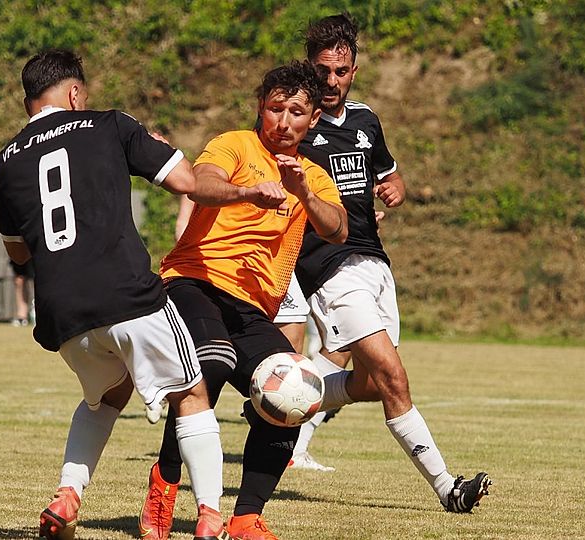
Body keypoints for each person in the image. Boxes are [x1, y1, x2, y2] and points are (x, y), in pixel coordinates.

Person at [0, 49, 227, 540]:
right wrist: (167, 151)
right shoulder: (109, 124)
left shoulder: (6, 161)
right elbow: (186, 182)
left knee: (105, 397)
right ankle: (210, 517)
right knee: (192, 393)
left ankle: (67, 495)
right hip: (126, 295)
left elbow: (17, 253)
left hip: (61, 313)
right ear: (75, 92)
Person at [292, 13, 492, 512]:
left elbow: (389, 174)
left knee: (366, 383)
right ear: (309, 68)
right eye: (322, 71)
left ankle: (282, 400)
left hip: (375, 264)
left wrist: (394, 189)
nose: (330, 81)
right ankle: (449, 488)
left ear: (354, 71)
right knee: (394, 378)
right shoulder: (293, 126)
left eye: (340, 72)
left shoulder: (366, 121)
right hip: (330, 269)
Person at [141, 60, 346, 540]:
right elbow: (201, 184)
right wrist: (249, 191)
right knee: (211, 363)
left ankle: (246, 516)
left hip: (252, 308)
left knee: (298, 393)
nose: (284, 121)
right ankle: (165, 483)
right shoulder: (235, 144)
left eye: (297, 112)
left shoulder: (312, 175)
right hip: (192, 281)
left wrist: (303, 193)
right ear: (261, 106)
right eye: (276, 108)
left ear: (314, 119)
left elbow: (338, 229)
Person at [10, 259, 34, 326]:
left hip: (38, 254)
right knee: (19, 280)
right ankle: (22, 318)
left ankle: (40, 314)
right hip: (20, 253)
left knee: (39, 278)